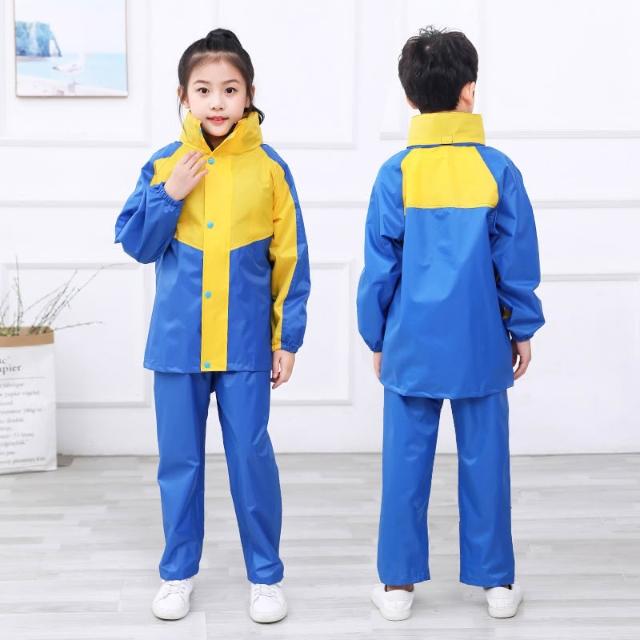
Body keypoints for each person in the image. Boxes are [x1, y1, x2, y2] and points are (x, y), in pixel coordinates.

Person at [114, 28, 310, 623]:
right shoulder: (163, 164)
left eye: (230, 89)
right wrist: (170, 194)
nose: (217, 102)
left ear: (249, 94)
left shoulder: (270, 169)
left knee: (252, 459)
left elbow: (290, 259)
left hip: (246, 346)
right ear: (184, 96)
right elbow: (137, 244)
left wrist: (286, 339)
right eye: (203, 90)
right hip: (178, 345)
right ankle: (177, 573)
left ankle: (266, 576)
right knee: (180, 463)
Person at [357, 26, 544, 621]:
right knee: (486, 460)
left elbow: (379, 268)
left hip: (410, 341)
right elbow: (515, 260)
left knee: (404, 463)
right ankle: (497, 585)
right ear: (470, 90)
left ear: (410, 98)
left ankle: (396, 587)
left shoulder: (396, 173)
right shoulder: (498, 170)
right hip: (480, 340)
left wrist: (376, 335)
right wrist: (521, 328)